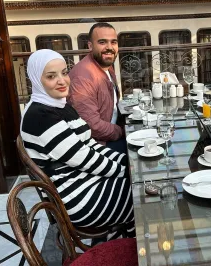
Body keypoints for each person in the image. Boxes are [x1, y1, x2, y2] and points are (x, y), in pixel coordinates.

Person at [20, 49, 134, 239]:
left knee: (143, 185)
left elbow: (91, 146)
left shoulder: (60, 105)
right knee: (145, 196)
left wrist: (128, 161)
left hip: (88, 182)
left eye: (64, 73)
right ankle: (131, 248)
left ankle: (124, 241)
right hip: (78, 200)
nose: (62, 80)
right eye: (51, 76)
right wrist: (127, 170)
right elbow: (85, 158)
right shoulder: (39, 117)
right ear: (36, 79)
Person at [67, 22, 126, 153]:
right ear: (90, 46)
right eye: (102, 42)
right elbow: (92, 126)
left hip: (108, 135)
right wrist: (122, 131)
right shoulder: (83, 78)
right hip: (95, 146)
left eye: (113, 42)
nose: (109, 47)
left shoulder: (105, 66)